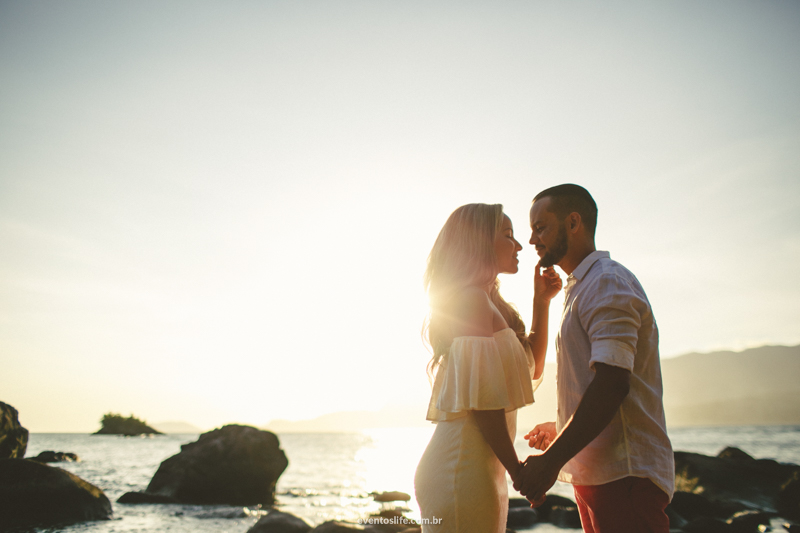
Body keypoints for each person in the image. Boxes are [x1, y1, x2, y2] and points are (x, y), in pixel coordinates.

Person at [514, 184, 674, 533]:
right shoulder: (581, 288)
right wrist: (562, 428)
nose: (531, 240)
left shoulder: (607, 282)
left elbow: (612, 383)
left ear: (574, 223)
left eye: (540, 227)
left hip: (624, 477)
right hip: (602, 476)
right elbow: (601, 385)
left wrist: (549, 462)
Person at [414, 203, 562, 533]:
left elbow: (532, 370)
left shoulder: (491, 303)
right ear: (479, 242)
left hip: (485, 468)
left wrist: (542, 301)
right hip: (461, 466)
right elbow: (483, 401)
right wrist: (518, 472)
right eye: (508, 235)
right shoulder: (469, 300)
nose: (520, 245)